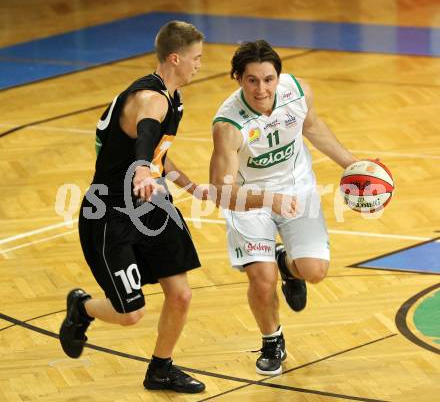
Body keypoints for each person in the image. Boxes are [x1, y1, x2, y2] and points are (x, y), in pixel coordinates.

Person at [59, 20, 208, 393]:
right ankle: (83, 308)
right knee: (130, 314)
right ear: (175, 58)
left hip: (152, 203)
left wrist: (191, 186)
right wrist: (141, 167)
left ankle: (160, 368)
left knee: (181, 294)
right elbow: (145, 135)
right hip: (110, 213)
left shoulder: (173, 96)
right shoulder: (151, 98)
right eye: (196, 58)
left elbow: (158, 152)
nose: (199, 65)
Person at [209, 40, 358, 375]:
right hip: (249, 201)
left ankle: (286, 265)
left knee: (315, 272)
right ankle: (271, 340)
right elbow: (222, 192)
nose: (262, 89)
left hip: (298, 189)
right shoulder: (228, 125)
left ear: (279, 76)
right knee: (262, 279)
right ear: (238, 78)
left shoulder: (298, 92)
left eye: (268, 79)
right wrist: (267, 199)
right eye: (252, 80)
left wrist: (353, 165)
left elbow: (313, 127)